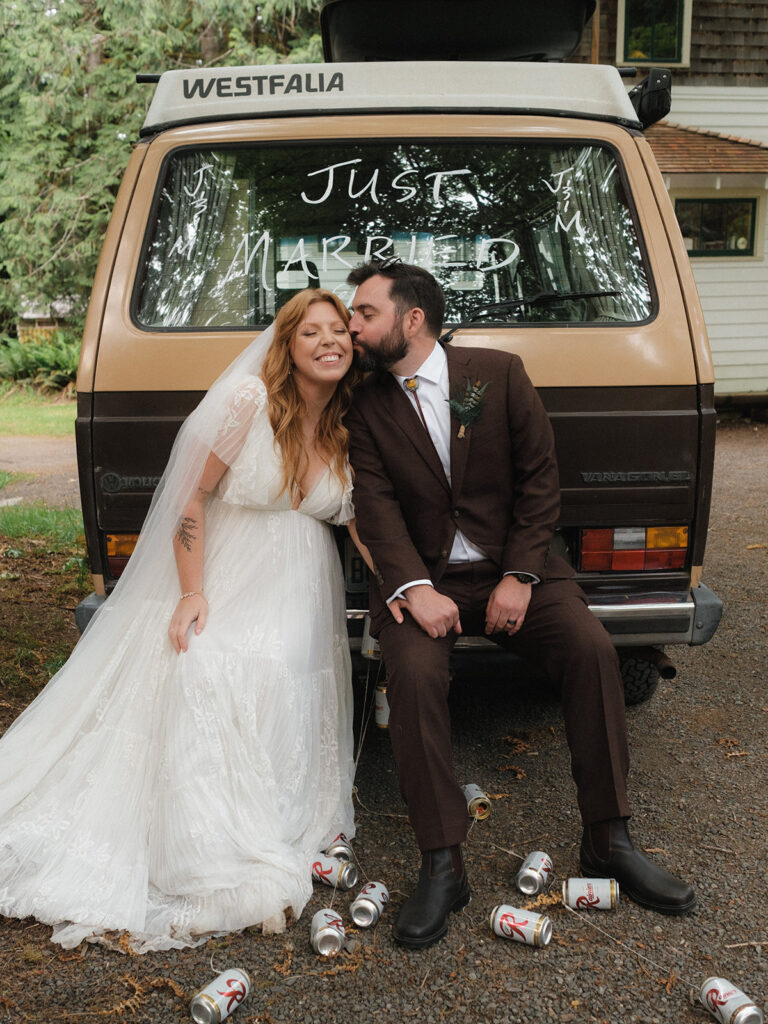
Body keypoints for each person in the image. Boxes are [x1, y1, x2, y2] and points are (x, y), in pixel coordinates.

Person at [344, 260, 696, 950]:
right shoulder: (366, 404)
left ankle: (609, 838)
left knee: (591, 650)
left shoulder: (497, 375)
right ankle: (443, 863)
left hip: (516, 570)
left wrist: (521, 574)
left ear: (412, 319)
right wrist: (414, 589)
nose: (353, 325)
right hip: (426, 581)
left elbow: (540, 478)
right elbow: (375, 508)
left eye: (365, 312)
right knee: (411, 673)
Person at [0, 289, 357, 952]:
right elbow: (190, 499)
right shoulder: (248, 400)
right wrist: (192, 593)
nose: (328, 341)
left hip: (304, 593)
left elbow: (362, 522)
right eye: (311, 332)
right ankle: (199, 842)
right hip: (229, 576)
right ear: (287, 344)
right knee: (205, 665)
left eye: (338, 330)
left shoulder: (344, 421)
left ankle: (275, 816)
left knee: (284, 681)